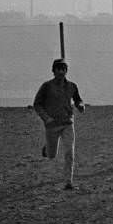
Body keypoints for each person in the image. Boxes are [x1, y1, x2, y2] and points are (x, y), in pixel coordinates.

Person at [33, 58, 85, 190]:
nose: (61, 72)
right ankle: (47, 149)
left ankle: (69, 182)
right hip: (52, 125)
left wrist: (80, 105)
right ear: (53, 71)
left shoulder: (72, 86)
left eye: (64, 69)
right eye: (58, 69)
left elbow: (78, 99)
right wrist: (46, 118)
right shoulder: (46, 86)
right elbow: (37, 104)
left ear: (66, 71)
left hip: (68, 123)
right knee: (51, 155)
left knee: (69, 152)